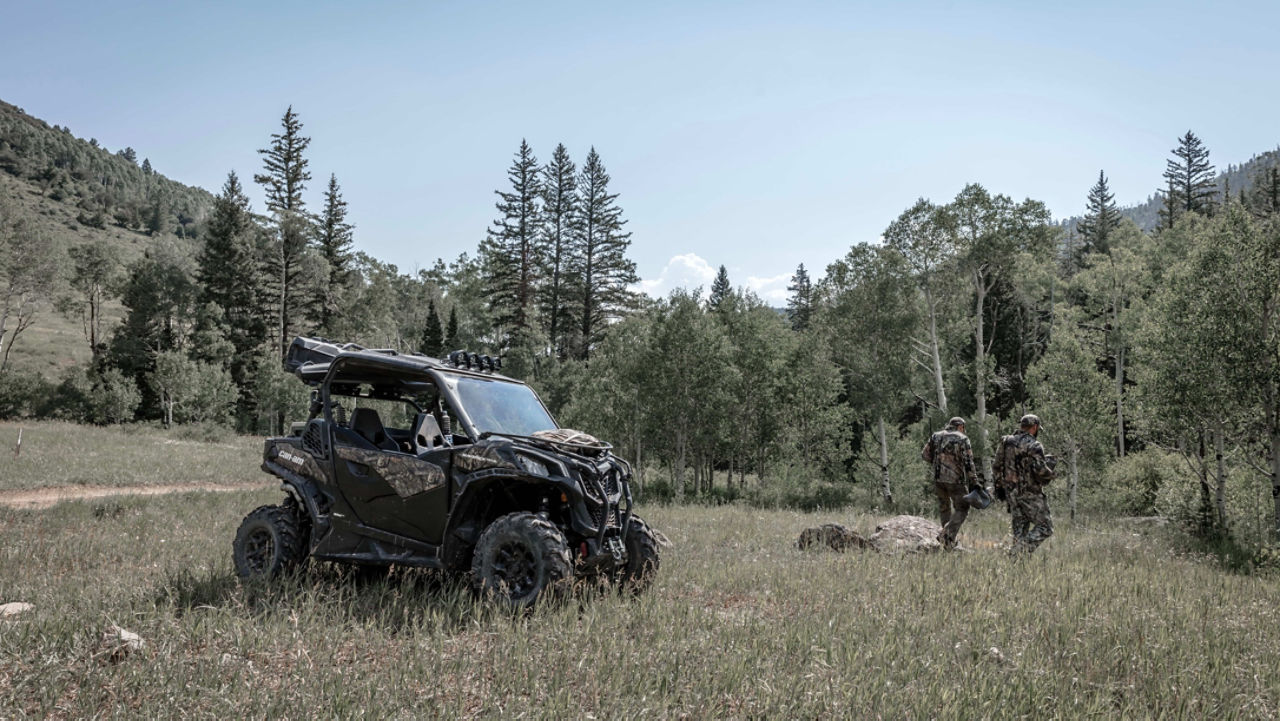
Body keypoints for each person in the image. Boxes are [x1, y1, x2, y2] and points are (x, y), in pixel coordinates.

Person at [992, 414, 1058, 554]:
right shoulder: (1034, 445)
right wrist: (1051, 474)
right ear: (1034, 428)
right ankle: (1016, 552)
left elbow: (996, 466)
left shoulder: (1006, 442)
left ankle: (1018, 567)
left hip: (1012, 493)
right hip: (1030, 494)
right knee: (1046, 527)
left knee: (1019, 532)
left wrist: (999, 488)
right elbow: (1040, 470)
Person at [921, 416, 981, 549]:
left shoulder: (935, 436)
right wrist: (974, 481)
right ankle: (947, 535)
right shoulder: (962, 438)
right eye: (963, 428)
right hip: (955, 480)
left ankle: (947, 542)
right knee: (963, 507)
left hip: (938, 479)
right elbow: (968, 462)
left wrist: (938, 462)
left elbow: (924, 455)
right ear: (960, 426)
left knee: (944, 508)